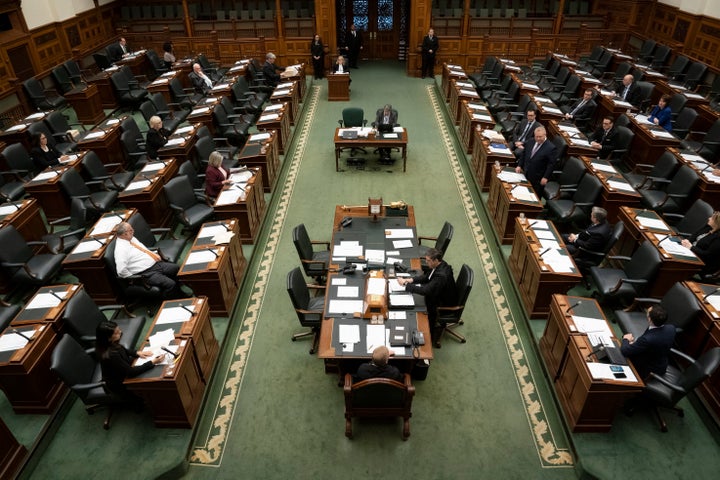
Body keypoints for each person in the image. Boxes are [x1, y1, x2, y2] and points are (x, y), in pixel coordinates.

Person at [96, 320, 164, 408]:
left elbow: (122, 349)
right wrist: (152, 362)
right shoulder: (111, 355)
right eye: (116, 332)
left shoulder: (106, 344)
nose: (120, 332)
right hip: (120, 383)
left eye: (118, 329)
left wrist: (136, 353)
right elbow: (131, 372)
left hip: (123, 368)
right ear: (108, 338)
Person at [113, 221, 183, 298]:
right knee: (170, 284)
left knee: (176, 268)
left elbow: (143, 249)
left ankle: (179, 291)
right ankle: (173, 299)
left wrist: (154, 254)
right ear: (124, 234)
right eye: (130, 230)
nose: (133, 230)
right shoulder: (120, 250)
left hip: (155, 264)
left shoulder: (131, 238)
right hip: (146, 273)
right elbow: (121, 271)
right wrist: (136, 279)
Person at [397, 248, 456, 338]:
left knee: (415, 309)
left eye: (428, 261)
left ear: (436, 260)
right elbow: (427, 277)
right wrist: (410, 280)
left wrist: (405, 284)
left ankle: (429, 335)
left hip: (442, 303)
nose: (426, 263)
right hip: (439, 293)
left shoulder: (441, 276)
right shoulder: (440, 264)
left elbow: (426, 291)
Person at [620, 305, 676, 380]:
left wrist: (626, 339)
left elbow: (625, 351)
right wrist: (637, 345)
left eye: (647, 312)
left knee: (621, 351)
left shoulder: (647, 339)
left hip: (648, 370)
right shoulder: (671, 328)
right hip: (660, 362)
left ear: (649, 319)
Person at [516, 125, 558, 197]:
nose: (538, 138)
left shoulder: (551, 148)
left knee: (533, 197)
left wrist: (545, 177)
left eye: (540, 137)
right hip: (525, 172)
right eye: (536, 136)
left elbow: (551, 165)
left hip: (538, 178)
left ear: (545, 135)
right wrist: (519, 165)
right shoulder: (531, 141)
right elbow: (524, 154)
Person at [681, 211, 720, 276]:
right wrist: (687, 241)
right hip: (690, 252)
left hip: (701, 264)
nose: (709, 218)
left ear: (717, 223)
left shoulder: (718, 238)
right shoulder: (708, 226)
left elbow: (707, 255)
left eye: (712, 218)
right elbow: (695, 235)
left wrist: (691, 247)